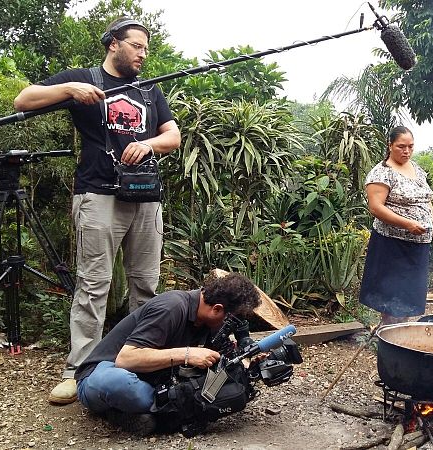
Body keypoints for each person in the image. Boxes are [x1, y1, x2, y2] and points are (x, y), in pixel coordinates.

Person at [13, 17, 182, 404]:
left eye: (145, 48)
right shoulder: (84, 77)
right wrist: (69, 89)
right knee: (93, 285)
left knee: (146, 284)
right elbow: (23, 100)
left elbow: (173, 135)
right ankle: (79, 370)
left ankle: (144, 361)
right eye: (136, 45)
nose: (142, 54)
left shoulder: (150, 89)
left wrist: (150, 145)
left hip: (145, 198)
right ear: (113, 44)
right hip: (98, 195)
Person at [74, 272, 261, 435]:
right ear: (217, 309)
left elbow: (223, 362)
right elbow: (126, 359)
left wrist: (249, 365)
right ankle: (165, 413)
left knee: (222, 388)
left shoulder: (209, 322)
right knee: (119, 384)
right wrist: (187, 354)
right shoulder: (172, 306)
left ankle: (145, 415)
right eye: (231, 320)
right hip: (102, 374)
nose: (230, 327)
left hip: (151, 380)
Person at [359, 126, 433, 325]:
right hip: (392, 246)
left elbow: (425, 200)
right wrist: (407, 224)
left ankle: (401, 339)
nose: (406, 151)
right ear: (390, 146)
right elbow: (376, 207)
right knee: (391, 301)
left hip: (417, 246)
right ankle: (389, 342)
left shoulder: (416, 169)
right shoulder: (381, 173)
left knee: (407, 299)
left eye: (410, 147)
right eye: (401, 147)